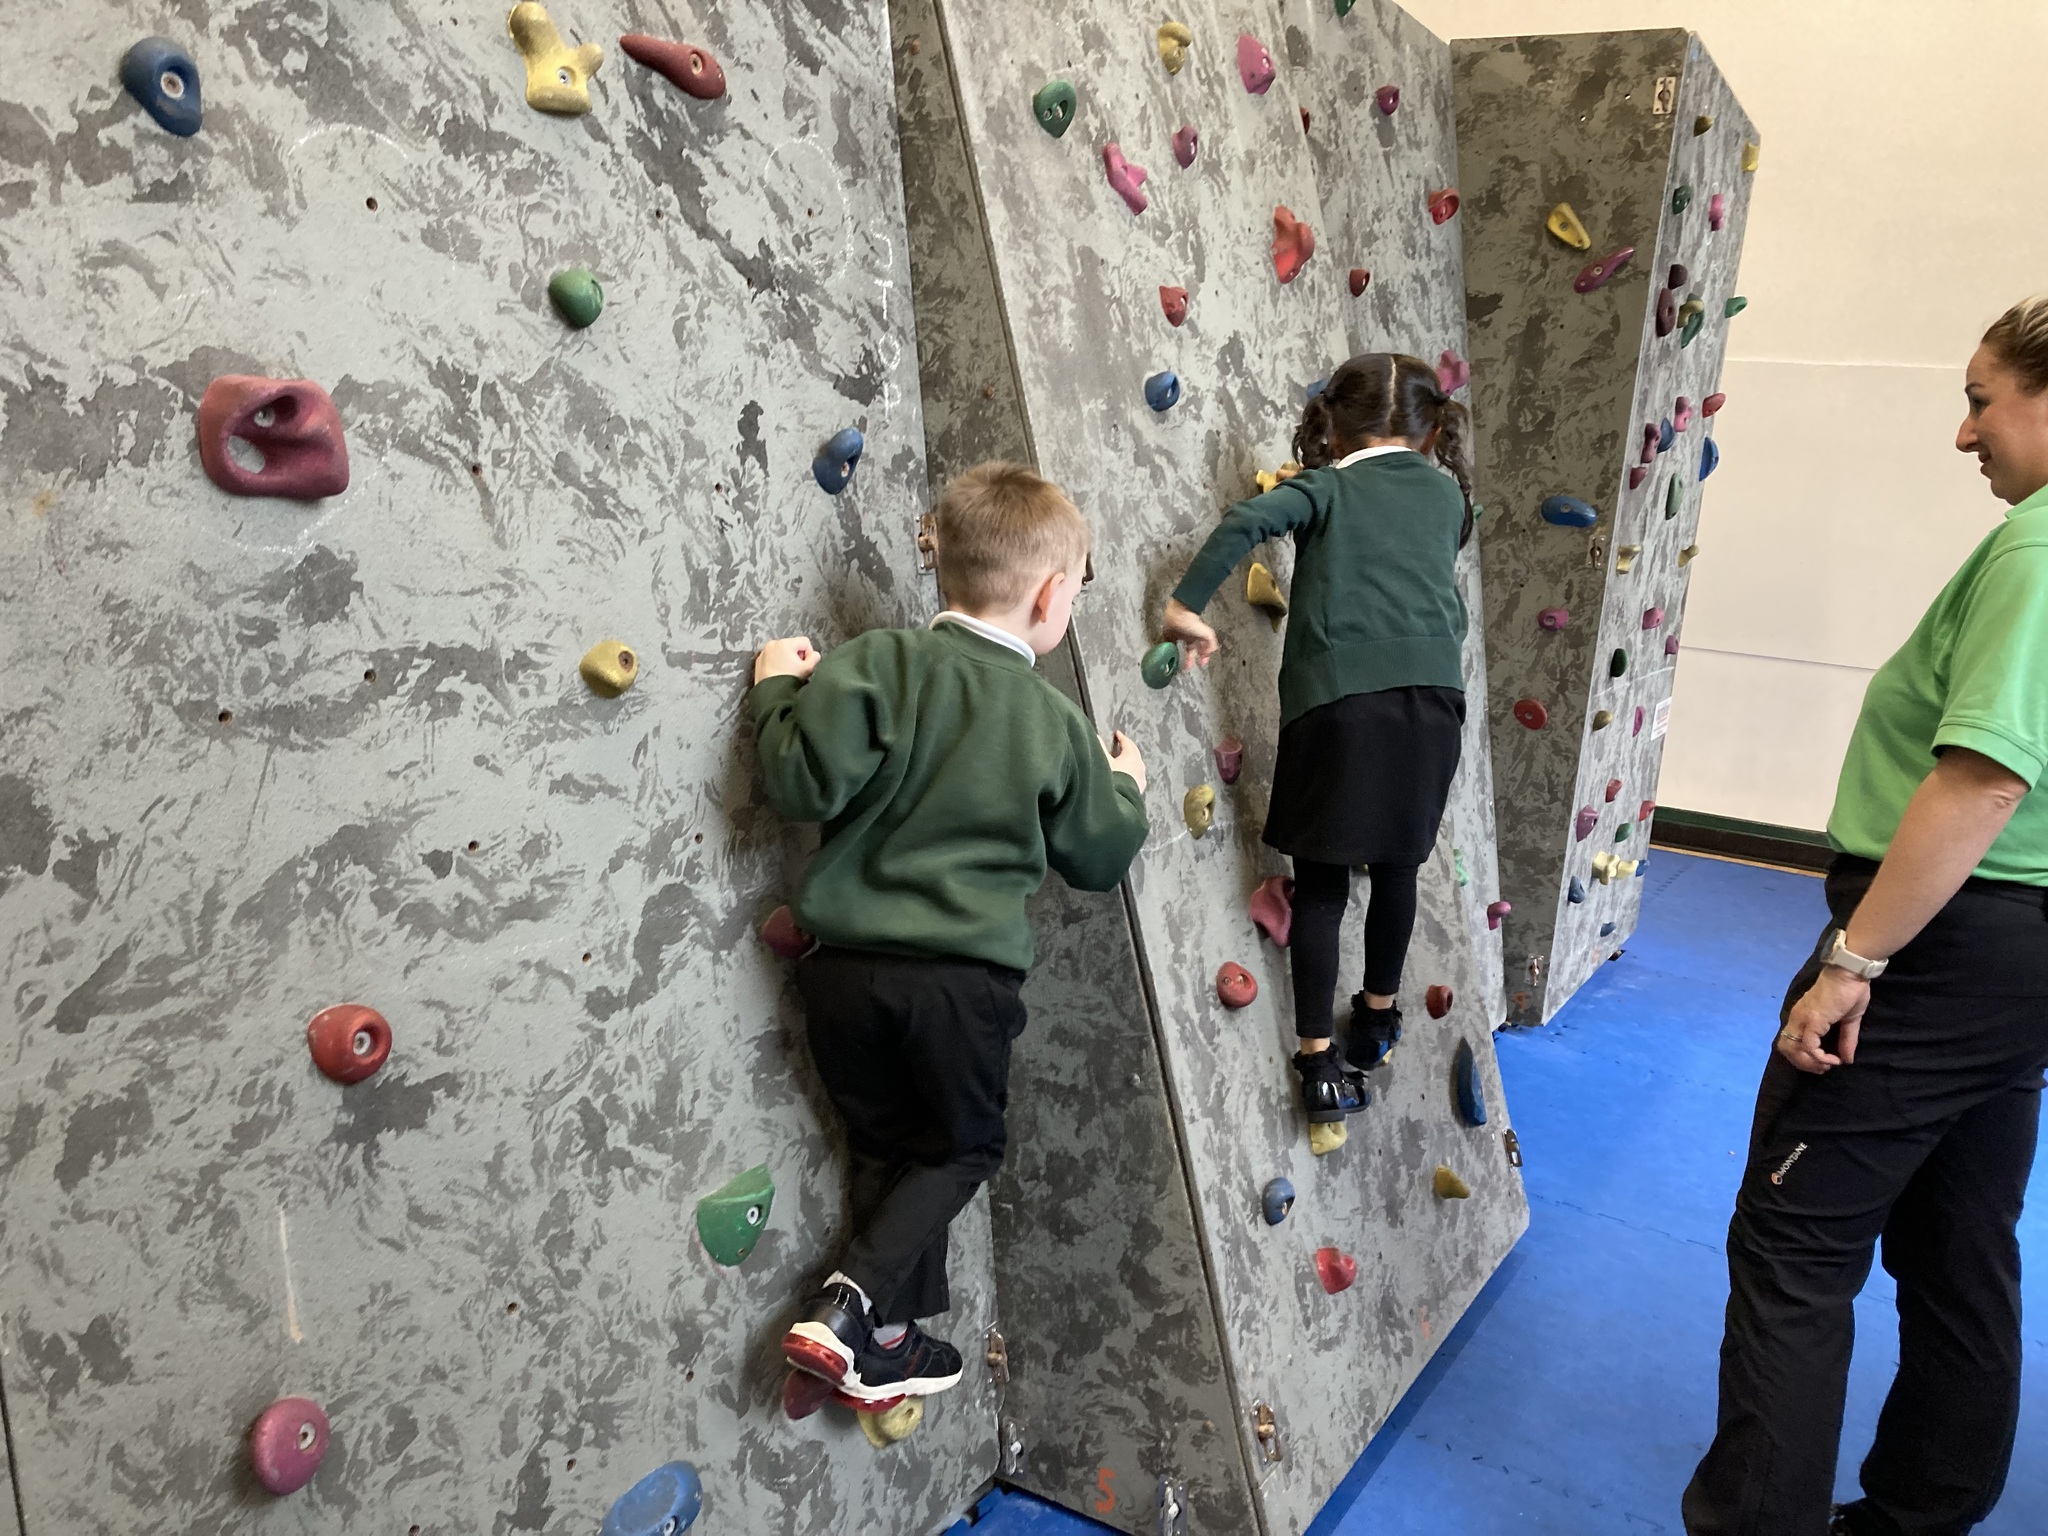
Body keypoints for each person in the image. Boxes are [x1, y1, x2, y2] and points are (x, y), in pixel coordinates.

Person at [1684, 297, 2048, 1536]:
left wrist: (1853, 960)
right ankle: (1919, 1514)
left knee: (1791, 1248)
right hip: (2015, 963)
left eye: (1981, 400)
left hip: (1942, 949)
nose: (1963, 433)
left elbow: (1982, 779)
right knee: (1958, 1236)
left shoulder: (2035, 551)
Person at [752, 460, 1150, 1407]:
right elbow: (1099, 856)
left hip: (842, 976)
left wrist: (774, 694)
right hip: (960, 986)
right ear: (1051, 596)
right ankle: (847, 1306)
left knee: (890, 1147)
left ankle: (887, 1339)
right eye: (1078, 589)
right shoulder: (1053, 720)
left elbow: (799, 783)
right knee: (964, 1149)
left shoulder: (877, 663)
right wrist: (1126, 786)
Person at [1160, 352, 1474, 1127]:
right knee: (1398, 869)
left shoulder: (1324, 488)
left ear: (1331, 427)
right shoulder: (1447, 495)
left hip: (1337, 704)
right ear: (1433, 432)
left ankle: (1317, 1064)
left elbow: (1245, 523)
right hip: (1434, 700)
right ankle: (1376, 1017)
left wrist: (1184, 607)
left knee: (1325, 888)